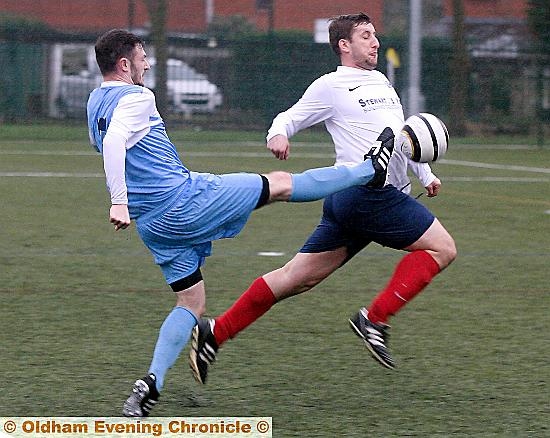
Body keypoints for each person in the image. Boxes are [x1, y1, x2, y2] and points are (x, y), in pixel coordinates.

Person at [86, 29, 393, 417]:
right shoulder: (136, 95)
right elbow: (115, 141)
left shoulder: (94, 101)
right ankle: (370, 169)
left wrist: (128, 201)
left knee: (191, 301)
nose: (148, 64)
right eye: (143, 57)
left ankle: (150, 383)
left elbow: (113, 142)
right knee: (280, 184)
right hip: (185, 201)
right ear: (125, 64)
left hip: (155, 226)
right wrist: (118, 202)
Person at [189, 13, 457, 384]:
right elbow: (288, 117)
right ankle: (374, 319)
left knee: (295, 278)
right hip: (369, 196)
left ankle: (214, 333)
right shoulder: (331, 86)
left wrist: (425, 173)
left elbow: (400, 138)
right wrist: (277, 135)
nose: (375, 42)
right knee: (443, 249)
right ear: (344, 45)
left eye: (375, 35)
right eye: (365, 36)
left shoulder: (381, 81)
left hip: (352, 201)